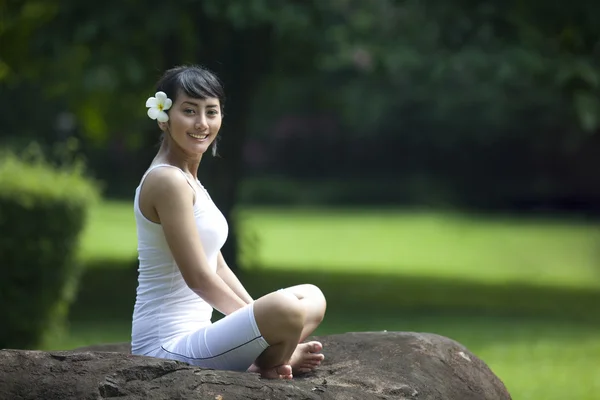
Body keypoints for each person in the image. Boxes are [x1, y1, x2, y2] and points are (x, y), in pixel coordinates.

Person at [131, 65, 327, 380]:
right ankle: (277, 357)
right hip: (165, 347)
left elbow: (216, 265)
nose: (201, 123)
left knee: (312, 297)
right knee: (286, 309)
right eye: (189, 111)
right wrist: (262, 321)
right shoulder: (167, 181)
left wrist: (258, 320)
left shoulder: (189, 180)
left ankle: (269, 354)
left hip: (202, 334)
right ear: (164, 117)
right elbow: (198, 277)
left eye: (211, 112)